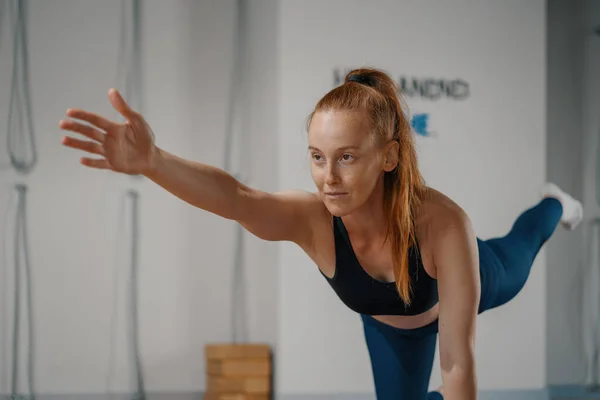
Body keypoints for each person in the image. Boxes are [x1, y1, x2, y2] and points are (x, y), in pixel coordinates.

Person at [59, 68, 583, 400]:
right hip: (390, 328)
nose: (328, 177)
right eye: (317, 158)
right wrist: (154, 162)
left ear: (389, 157)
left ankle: (554, 203)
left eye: (347, 158)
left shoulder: (443, 224)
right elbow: (237, 198)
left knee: (520, 250)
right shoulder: (314, 222)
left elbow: (458, 363)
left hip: (474, 280)